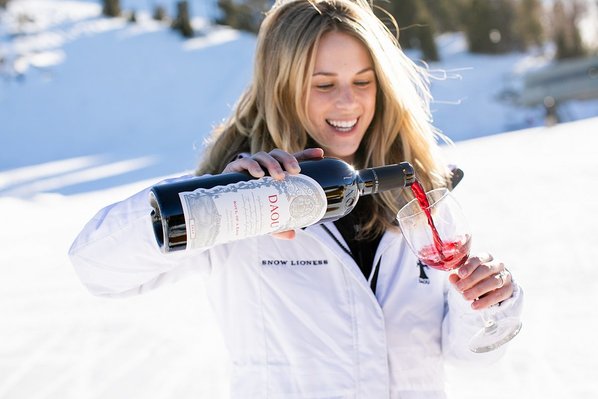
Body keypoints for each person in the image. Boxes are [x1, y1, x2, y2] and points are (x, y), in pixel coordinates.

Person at [69, 0, 523, 398]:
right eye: (323, 84)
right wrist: (208, 196)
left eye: (363, 82)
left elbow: (470, 356)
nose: (348, 103)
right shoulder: (238, 199)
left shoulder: (417, 194)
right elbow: (97, 268)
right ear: (281, 87)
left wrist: (486, 303)